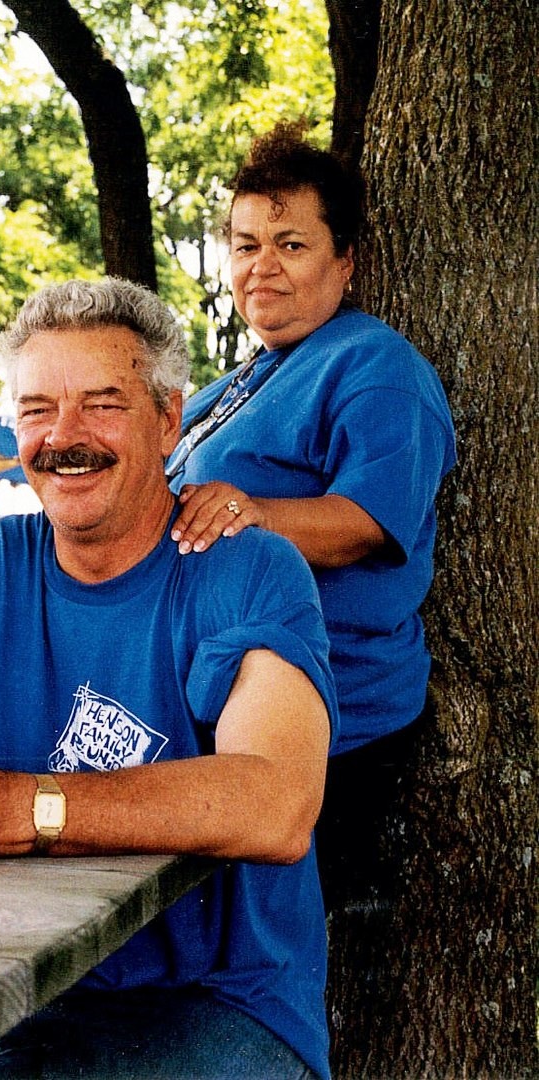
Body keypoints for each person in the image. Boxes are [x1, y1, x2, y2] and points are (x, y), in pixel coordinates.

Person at [0, 278, 338, 1080]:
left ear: (168, 420)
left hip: (215, 1006)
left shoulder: (249, 568)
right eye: (36, 410)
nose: (64, 436)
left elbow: (276, 803)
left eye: (102, 405)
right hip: (7, 989)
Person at [165, 123, 456, 908]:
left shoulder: (378, 367)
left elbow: (367, 523)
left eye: (291, 244)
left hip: (325, 724)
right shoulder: (238, 382)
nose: (261, 266)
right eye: (246, 245)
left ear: (345, 260)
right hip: (211, 704)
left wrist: (251, 511)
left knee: (269, 950)